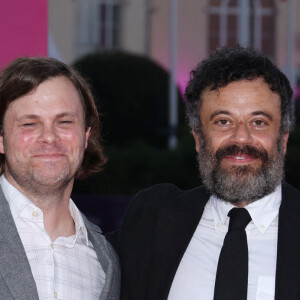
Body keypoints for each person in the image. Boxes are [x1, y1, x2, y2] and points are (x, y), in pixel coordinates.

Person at [107, 45, 300, 300]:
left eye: (259, 122)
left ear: (283, 139)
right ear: (198, 137)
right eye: (223, 121)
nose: (241, 137)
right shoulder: (153, 220)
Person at [0, 57, 120, 299]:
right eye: (30, 123)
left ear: (86, 136)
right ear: (1, 139)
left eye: (64, 122)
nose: (49, 137)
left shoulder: (106, 262)